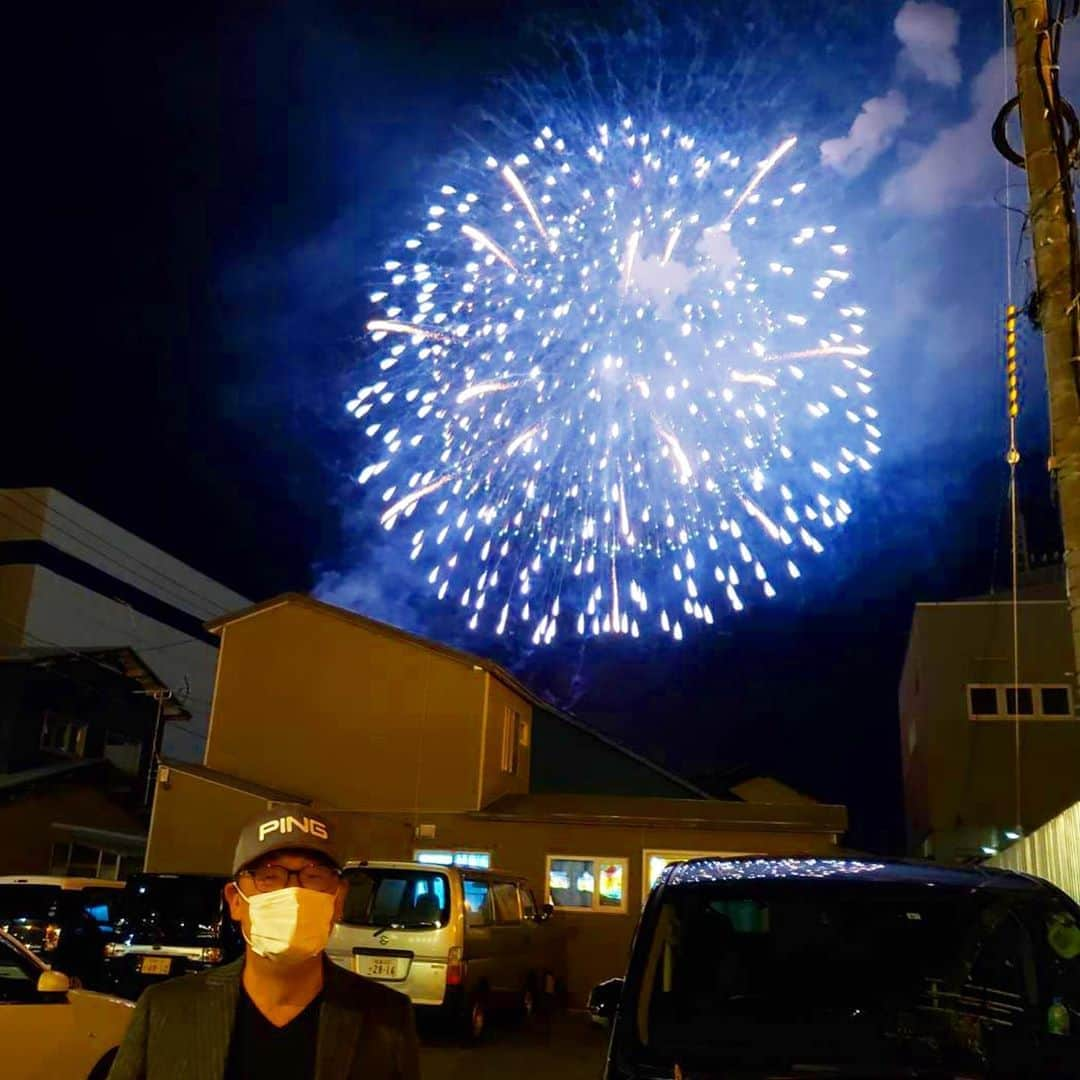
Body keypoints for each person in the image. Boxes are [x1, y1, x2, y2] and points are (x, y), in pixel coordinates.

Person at [108, 803, 420, 1079]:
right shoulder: (164, 1009)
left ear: (338, 900)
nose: (293, 894)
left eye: (315, 876)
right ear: (236, 901)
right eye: (269, 877)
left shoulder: (386, 1018)